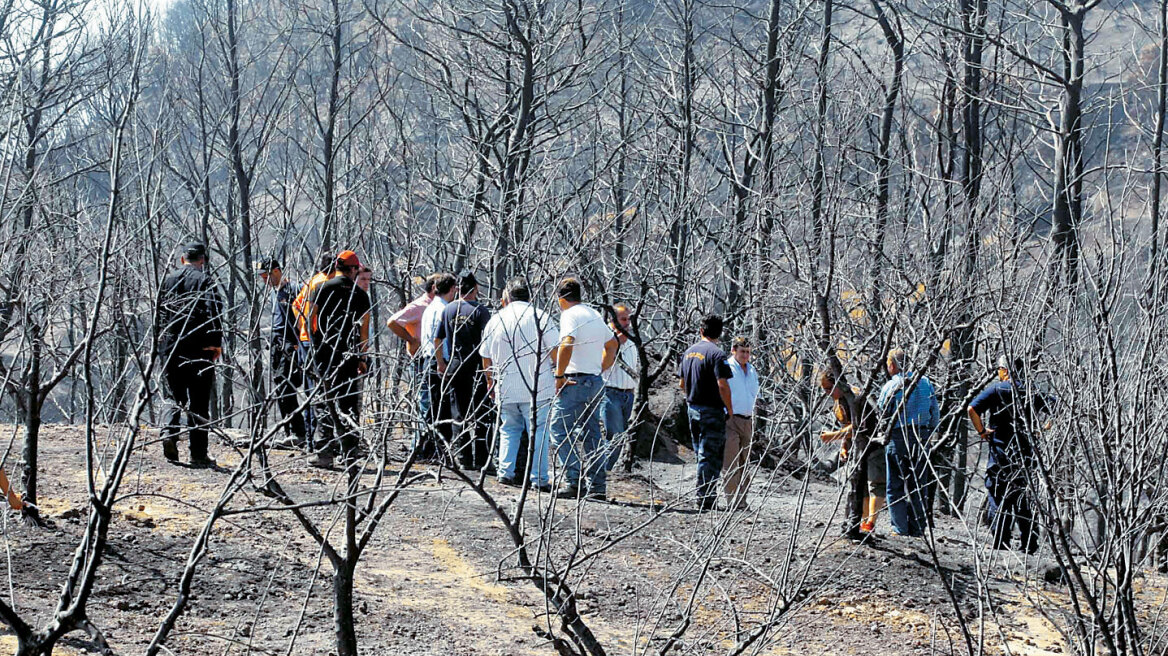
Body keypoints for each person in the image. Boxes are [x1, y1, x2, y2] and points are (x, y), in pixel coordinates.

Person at [480, 278, 557, 491]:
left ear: (507, 297)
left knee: (509, 429)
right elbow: (556, 350)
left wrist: (490, 381)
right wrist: (555, 371)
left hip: (505, 385)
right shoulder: (541, 317)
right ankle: (539, 479)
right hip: (538, 385)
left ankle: (506, 473)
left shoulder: (496, 320)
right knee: (539, 432)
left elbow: (485, 357)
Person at [968, 356, 1051, 553]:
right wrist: (1041, 430)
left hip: (1000, 453)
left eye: (999, 369)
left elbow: (972, 409)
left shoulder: (998, 389)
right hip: (1024, 453)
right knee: (1022, 499)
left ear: (1005, 370)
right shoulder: (1031, 392)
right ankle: (1029, 545)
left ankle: (1001, 543)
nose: (997, 372)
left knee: (998, 497)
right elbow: (1058, 408)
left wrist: (982, 432)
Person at [549, 277, 619, 500]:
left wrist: (559, 375)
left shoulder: (569, 315)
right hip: (594, 381)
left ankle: (573, 479)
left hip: (574, 380)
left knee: (558, 429)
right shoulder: (594, 314)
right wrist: (601, 366)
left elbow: (567, 342)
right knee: (593, 433)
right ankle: (597, 486)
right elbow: (613, 343)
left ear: (561, 299)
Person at [157, 242, 224, 467]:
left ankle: (169, 433)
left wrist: (161, 345)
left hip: (171, 348)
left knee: (172, 396)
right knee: (199, 402)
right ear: (203, 260)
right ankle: (198, 453)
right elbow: (213, 312)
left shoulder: (167, 281)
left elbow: (160, 315)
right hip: (198, 350)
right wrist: (215, 345)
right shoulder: (205, 281)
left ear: (182, 259)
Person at [307, 250, 372, 469]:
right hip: (349, 355)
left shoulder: (320, 288)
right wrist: (363, 357)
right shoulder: (361, 295)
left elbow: (310, 320)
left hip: (324, 354)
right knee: (348, 403)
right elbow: (364, 331)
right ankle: (349, 452)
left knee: (324, 401)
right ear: (353, 269)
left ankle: (324, 453)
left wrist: (316, 345)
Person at [876, 348, 939, 537]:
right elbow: (934, 412)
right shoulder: (926, 383)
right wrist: (929, 433)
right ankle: (919, 528)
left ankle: (900, 527)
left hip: (897, 437)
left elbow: (882, 412)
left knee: (895, 485)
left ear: (893, 365)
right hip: (921, 436)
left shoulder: (891, 386)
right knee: (918, 484)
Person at [435, 271, 493, 471]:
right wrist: (490, 372)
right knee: (482, 413)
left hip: (454, 366)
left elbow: (437, 339)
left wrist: (440, 363)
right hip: (477, 368)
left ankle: (463, 456)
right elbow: (488, 342)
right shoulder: (481, 311)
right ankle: (482, 458)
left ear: (458, 288)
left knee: (458, 412)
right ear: (476, 288)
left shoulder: (448, 310)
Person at [820, 371, 885, 541]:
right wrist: (843, 446)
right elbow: (846, 426)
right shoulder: (838, 402)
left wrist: (833, 436)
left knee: (875, 484)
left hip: (873, 444)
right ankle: (862, 524)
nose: (827, 393)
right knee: (859, 487)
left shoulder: (856, 398)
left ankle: (871, 523)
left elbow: (857, 427)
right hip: (857, 449)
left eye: (829, 389)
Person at [679, 315, 734, 511]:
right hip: (711, 410)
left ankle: (703, 494)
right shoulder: (717, 355)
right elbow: (723, 385)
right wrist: (729, 407)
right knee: (711, 455)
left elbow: (682, 383)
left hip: (693, 408)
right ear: (720, 332)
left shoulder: (689, 352)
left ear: (701, 330)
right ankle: (705, 498)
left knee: (701, 453)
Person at [256, 258, 308, 449]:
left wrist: (297, 344)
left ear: (276, 271)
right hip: (277, 343)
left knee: (288, 386)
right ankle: (290, 431)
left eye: (266, 275)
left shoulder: (294, 290)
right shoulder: (273, 293)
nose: (264, 279)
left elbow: (302, 317)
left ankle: (299, 431)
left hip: (291, 344)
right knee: (280, 387)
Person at [290, 253, 340, 445]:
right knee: (321, 391)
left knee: (312, 390)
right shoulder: (327, 283)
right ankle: (320, 441)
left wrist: (302, 326)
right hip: (316, 341)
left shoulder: (312, 281)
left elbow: (296, 306)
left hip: (305, 340)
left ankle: (312, 440)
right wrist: (313, 328)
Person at [419, 273, 458, 462]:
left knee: (433, 407)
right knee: (439, 408)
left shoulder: (430, 308)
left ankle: (432, 450)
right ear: (451, 289)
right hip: (437, 361)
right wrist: (441, 363)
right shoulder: (443, 309)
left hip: (429, 360)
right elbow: (438, 339)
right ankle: (433, 451)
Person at [722, 337, 759, 510]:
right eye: (742, 351)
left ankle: (742, 501)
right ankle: (732, 501)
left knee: (745, 463)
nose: (745, 355)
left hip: (747, 420)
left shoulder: (752, 371)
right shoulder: (726, 367)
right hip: (730, 419)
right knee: (731, 462)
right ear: (733, 350)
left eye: (748, 352)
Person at [602, 303, 639, 471]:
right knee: (614, 436)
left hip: (628, 395)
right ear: (613, 320)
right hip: (611, 393)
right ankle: (602, 471)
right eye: (623, 319)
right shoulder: (606, 337)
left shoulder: (631, 340)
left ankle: (605, 470)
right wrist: (616, 343)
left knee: (621, 436)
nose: (627, 323)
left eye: (628, 319)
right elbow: (602, 365)